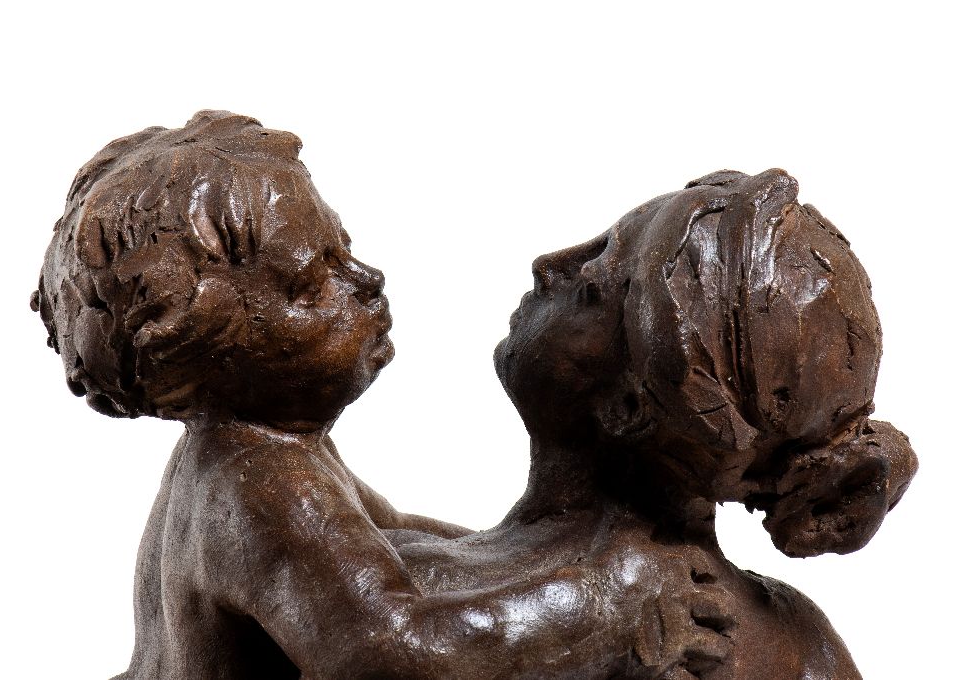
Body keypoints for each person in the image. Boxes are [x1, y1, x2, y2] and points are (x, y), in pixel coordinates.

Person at [33, 111, 729, 679]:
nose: (366, 281)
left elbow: (395, 534)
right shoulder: (259, 489)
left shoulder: (265, 455)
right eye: (313, 283)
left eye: (344, 249)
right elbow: (391, 649)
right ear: (208, 353)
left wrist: (535, 551)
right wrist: (604, 605)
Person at [389, 168, 917, 679]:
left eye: (590, 288)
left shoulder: (567, 608)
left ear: (628, 407)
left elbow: (379, 630)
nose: (548, 265)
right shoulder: (806, 643)